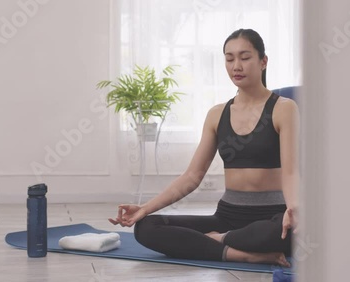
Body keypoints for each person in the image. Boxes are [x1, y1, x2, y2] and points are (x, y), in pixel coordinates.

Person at [109, 28, 299, 267]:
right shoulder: (216, 114)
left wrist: (292, 209)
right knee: (146, 227)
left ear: (263, 61)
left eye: (245, 57)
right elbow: (192, 176)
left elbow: (291, 173)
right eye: (229, 59)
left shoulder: (284, 108)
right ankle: (240, 253)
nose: (236, 66)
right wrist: (144, 208)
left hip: (270, 216)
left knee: (288, 231)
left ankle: (218, 241)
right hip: (228, 216)